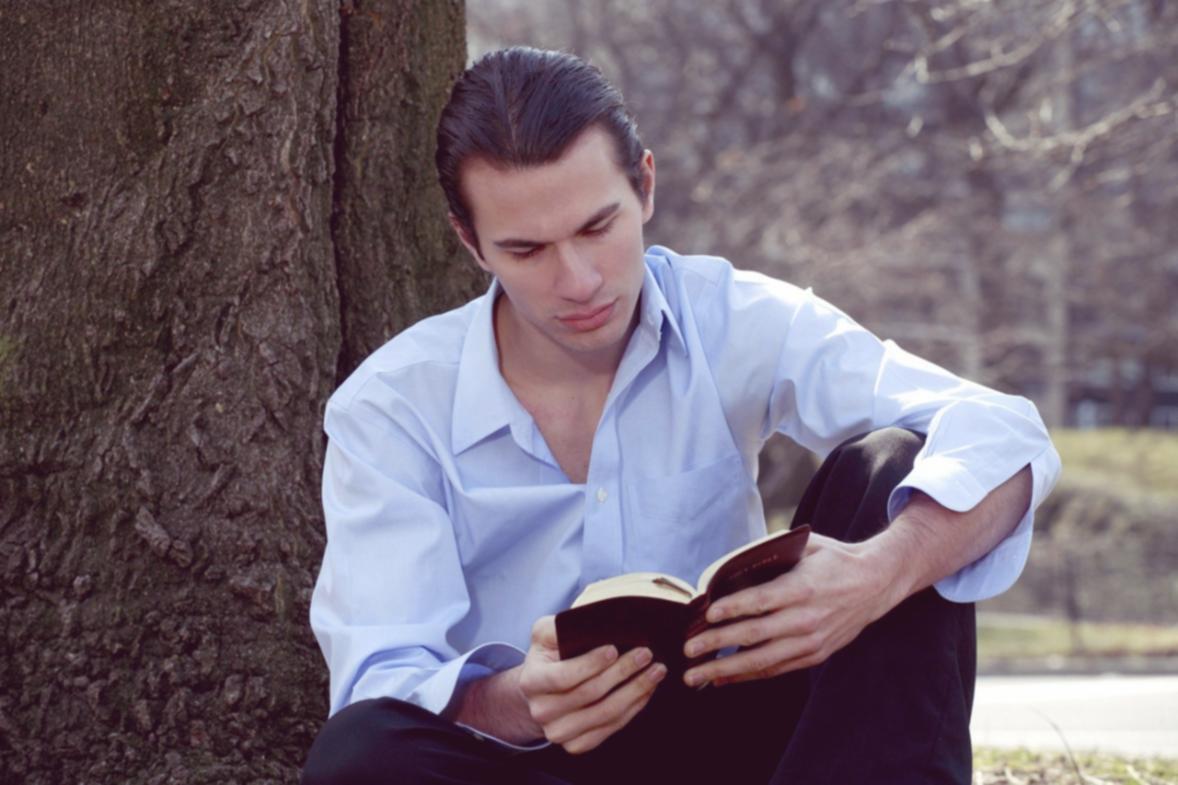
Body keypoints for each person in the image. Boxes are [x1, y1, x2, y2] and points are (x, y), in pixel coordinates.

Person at [301, 47, 1060, 785]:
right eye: (528, 249)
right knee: (363, 751)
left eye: (598, 227)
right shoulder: (392, 405)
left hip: (744, 740)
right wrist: (520, 701)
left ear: (646, 187)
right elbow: (380, 677)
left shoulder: (732, 316)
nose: (580, 280)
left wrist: (874, 574)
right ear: (471, 243)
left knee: (896, 464)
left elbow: (1004, 434)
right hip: (533, 761)